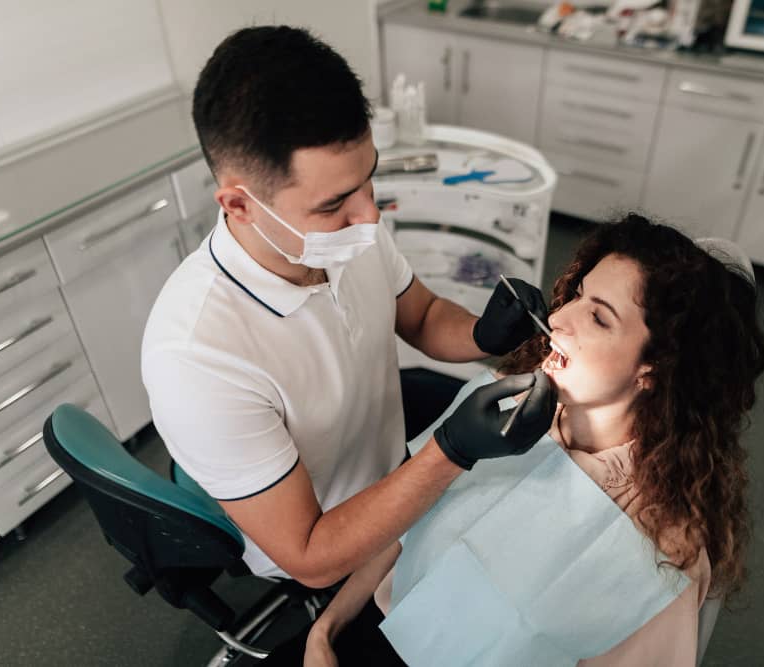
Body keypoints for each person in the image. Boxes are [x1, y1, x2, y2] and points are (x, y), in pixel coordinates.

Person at [141, 24, 557, 599]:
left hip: (396, 468)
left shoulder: (346, 237)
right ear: (239, 204)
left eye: (369, 179)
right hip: (335, 544)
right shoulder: (196, 356)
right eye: (334, 202)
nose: (370, 217)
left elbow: (421, 315)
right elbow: (311, 555)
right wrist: (450, 451)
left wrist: (485, 335)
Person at [300, 214, 764, 666]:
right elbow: (400, 530)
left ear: (655, 368)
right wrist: (326, 630)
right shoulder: (497, 411)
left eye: (599, 318)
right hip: (366, 635)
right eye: (577, 296)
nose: (561, 317)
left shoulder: (662, 550)